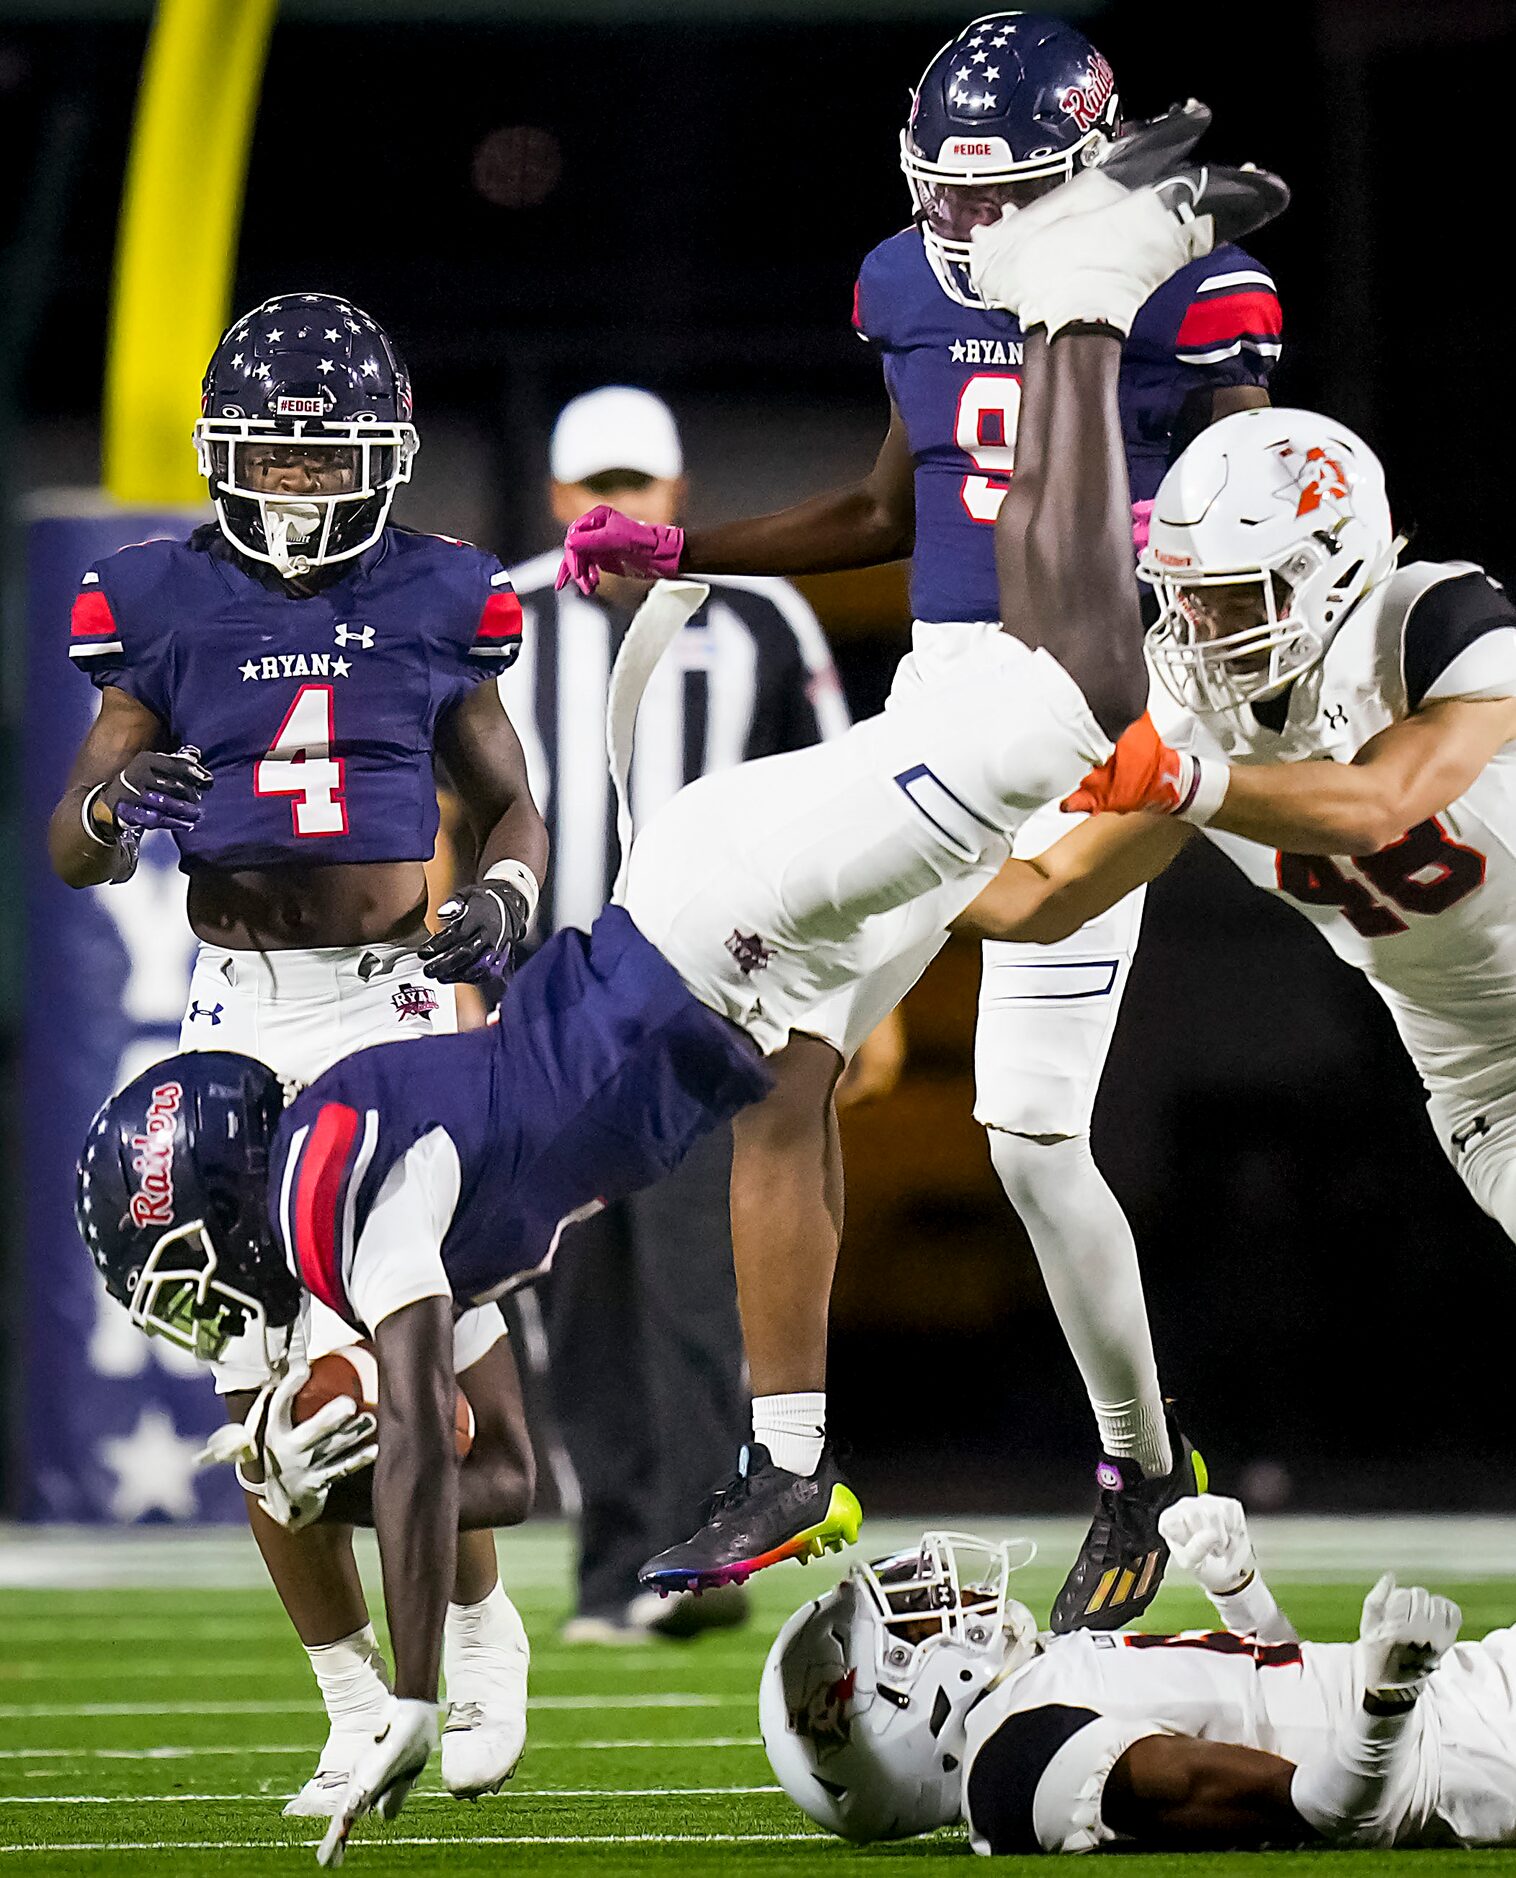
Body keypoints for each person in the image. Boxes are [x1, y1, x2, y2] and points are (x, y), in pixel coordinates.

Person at [75, 135, 1288, 1860]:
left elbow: (426, 1439)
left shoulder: (348, 1166)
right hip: (716, 967)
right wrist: (314, 1453)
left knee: (1079, 693)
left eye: (196, 1276)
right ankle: (787, 1449)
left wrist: (402, 1663)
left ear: (236, 1203)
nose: (218, 1299)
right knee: (1039, 842)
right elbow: (487, 1461)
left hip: (703, 912)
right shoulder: (351, 1188)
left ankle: (1104, 278)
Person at [558, 13, 1284, 1631]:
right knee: (783, 1060)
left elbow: (1258, 500)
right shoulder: (905, 280)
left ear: (1088, 171)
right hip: (944, 693)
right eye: (943, 196)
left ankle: (1140, 1461)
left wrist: (1183, 663)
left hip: (1108, 696)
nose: (962, 226)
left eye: (1001, 194)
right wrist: (695, 555)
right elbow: (891, 507)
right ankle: (789, 1451)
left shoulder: (1189, 280)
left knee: (1029, 1135)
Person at [48, 293, 548, 1813]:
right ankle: (346, 1693)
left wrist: (510, 894)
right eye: (277, 458)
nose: (303, 489)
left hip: (391, 1000)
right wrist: (117, 810)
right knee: (256, 1390)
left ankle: (474, 1626)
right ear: (222, 456)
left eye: (334, 466)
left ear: (387, 464)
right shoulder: (158, 600)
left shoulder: (442, 595)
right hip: (235, 1008)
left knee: (414, 1362)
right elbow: (70, 844)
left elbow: (511, 803)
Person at [960, 403, 1516, 1263]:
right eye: (1186, 600)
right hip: (1487, 1084)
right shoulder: (1194, 726)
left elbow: (1382, 803)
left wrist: (1183, 784)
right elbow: (1045, 895)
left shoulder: (1429, 621)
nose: (1200, 631)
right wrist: (875, 871)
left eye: (1227, 599)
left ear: (1324, 571)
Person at [503, 384, 856, 1643]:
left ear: (676, 496)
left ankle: (699, 1559)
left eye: (634, 485)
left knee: (702, 1285)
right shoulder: (506, 614)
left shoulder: (757, 610)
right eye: (592, 484)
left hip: (715, 990)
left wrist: (850, 999)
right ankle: (612, 1571)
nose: (611, 506)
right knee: (577, 1293)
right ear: (557, 496)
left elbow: (839, 798)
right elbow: (454, 806)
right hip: (554, 1002)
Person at [760, 1494, 1511, 1854]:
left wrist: (1241, 1593)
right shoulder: (1017, 1762)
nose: (944, 1594)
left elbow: (1285, 1705)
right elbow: (1324, 1810)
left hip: (1466, 1702)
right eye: (913, 1615)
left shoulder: (1030, 1696)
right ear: (900, 1698)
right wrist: (1388, 1702)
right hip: (1472, 1753)